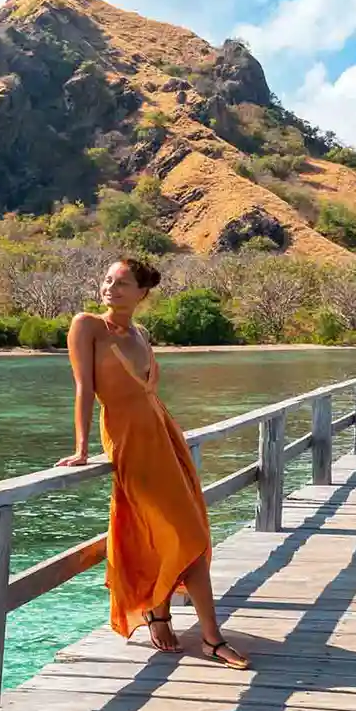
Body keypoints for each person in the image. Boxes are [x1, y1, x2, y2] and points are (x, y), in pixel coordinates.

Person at [56, 257, 250, 670]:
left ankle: (161, 614)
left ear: (142, 293)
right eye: (108, 280)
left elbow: (147, 392)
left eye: (123, 283)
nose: (111, 288)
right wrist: (82, 448)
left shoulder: (141, 333)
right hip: (129, 440)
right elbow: (83, 388)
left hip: (164, 435)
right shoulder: (87, 325)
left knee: (185, 530)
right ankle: (210, 637)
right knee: (184, 532)